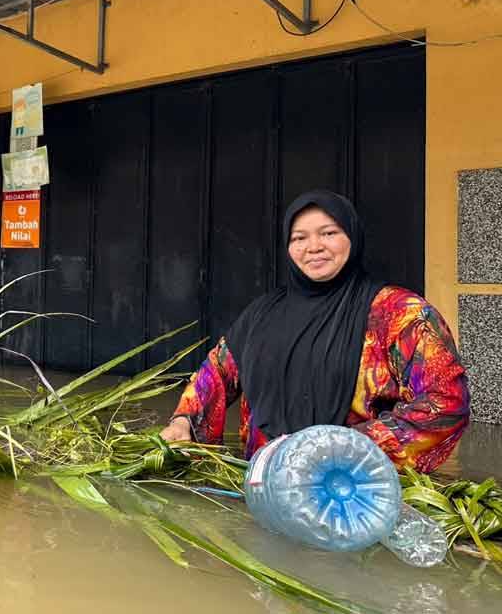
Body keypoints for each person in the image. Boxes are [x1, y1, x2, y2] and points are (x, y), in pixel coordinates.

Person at [160, 190, 469, 473]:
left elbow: (446, 402)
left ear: (352, 237)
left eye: (329, 233)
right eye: (299, 237)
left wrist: (334, 450)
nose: (314, 247)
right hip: (266, 489)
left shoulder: (399, 313)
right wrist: (183, 422)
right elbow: (217, 374)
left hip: (354, 494)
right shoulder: (263, 312)